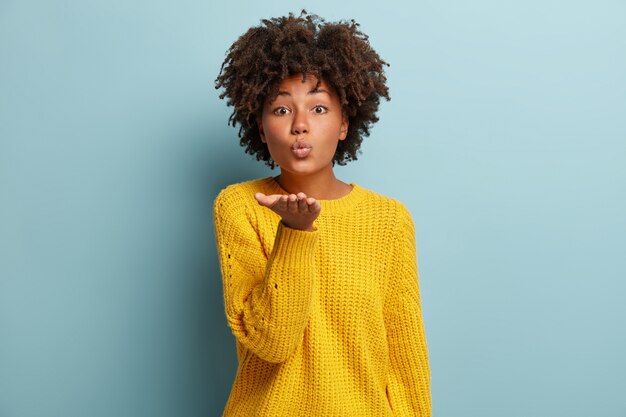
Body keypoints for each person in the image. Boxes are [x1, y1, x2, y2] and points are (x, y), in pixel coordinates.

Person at [213, 10, 431, 416]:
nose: (300, 125)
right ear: (261, 128)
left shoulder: (390, 220)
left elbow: (406, 364)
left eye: (318, 109)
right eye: (281, 110)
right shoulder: (241, 206)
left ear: (345, 123)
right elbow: (271, 343)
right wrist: (294, 233)